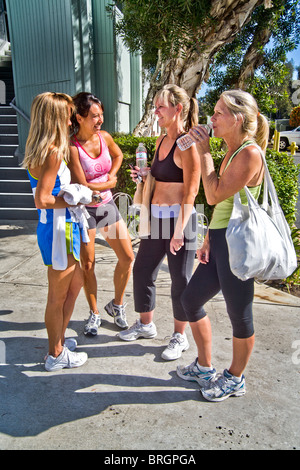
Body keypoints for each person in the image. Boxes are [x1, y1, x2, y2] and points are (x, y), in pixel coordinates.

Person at [177, 89, 269, 401]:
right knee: (190, 300)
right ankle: (204, 367)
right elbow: (223, 204)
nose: (211, 119)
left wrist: (203, 151)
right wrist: (207, 239)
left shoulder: (249, 153)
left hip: (237, 248)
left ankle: (235, 378)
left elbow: (214, 194)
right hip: (219, 242)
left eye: (218, 113)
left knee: (239, 316)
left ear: (238, 119)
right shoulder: (231, 152)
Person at [119, 84, 201, 361]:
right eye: (155, 107)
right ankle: (145, 324)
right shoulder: (158, 141)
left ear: (178, 109)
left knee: (180, 279)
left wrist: (179, 231)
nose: (155, 112)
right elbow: (157, 177)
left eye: (160, 107)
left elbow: (191, 191)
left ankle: (180, 336)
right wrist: (142, 177)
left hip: (180, 222)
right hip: (155, 219)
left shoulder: (187, 143)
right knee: (143, 271)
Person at [23, 92, 89, 372]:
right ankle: (55, 354)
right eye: (66, 114)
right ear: (53, 117)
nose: (70, 119)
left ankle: (59, 341)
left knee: (73, 287)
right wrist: (75, 197)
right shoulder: (51, 151)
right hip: (58, 229)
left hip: (60, 228)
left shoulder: (44, 149)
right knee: (58, 296)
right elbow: (42, 199)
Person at [68, 92, 134, 335]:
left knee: (127, 257)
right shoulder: (72, 147)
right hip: (85, 212)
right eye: (94, 116)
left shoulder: (104, 137)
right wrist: (107, 184)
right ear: (79, 117)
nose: (100, 120)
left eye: (101, 115)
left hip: (106, 207)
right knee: (88, 264)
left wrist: (112, 174)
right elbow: (82, 183)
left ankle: (116, 305)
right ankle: (94, 313)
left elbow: (118, 155)